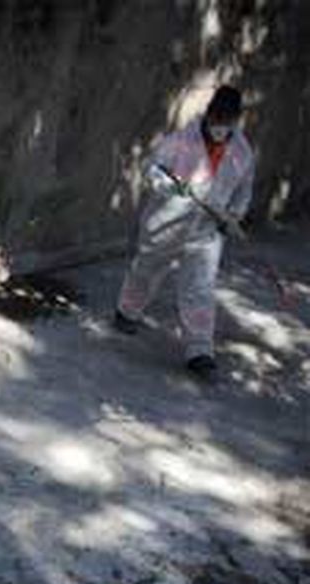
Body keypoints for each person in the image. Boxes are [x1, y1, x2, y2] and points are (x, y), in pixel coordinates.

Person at [114, 85, 254, 377]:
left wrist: (232, 216)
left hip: (207, 231)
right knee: (147, 269)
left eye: (226, 121)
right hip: (166, 221)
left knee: (199, 288)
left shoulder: (242, 152)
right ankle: (127, 311)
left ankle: (200, 350)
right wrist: (170, 186)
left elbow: (244, 190)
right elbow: (153, 169)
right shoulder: (181, 140)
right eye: (216, 119)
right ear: (209, 113)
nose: (220, 126)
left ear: (235, 120)